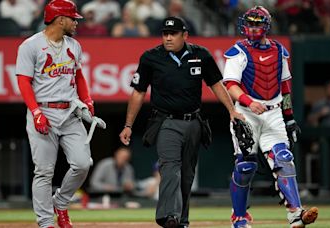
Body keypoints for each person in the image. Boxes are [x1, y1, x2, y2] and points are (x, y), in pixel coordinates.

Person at [119, 16, 244, 228]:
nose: (168, 38)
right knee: (170, 168)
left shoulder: (201, 54)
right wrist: (128, 125)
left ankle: (181, 221)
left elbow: (216, 85)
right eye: (165, 34)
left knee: (187, 175)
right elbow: (138, 92)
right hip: (166, 121)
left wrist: (232, 111)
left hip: (194, 121)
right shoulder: (151, 57)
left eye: (173, 34)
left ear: (184, 35)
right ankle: (169, 217)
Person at [222, 6, 318, 228]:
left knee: (283, 159)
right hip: (246, 113)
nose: (253, 28)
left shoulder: (280, 50)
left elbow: (285, 88)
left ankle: (296, 215)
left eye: (257, 23)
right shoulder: (237, 51)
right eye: (250, 23)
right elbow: (231, 85)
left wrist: (290, 117)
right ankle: (239, 217)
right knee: (246, 166)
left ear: (266, 25)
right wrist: (248, 102)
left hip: (274, 112)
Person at [15, 0, 95, 227]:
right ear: (60, 19)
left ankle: (60, 202)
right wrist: (36, 112)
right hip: (43, 110)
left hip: (70, 112)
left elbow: (79, 76)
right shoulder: (30, 46)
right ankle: (45, 223)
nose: (76, 22)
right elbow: (23, 82)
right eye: (73, 18)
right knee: (44, 171)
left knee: (82, 163)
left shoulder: (74, 45)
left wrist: (87, 99)